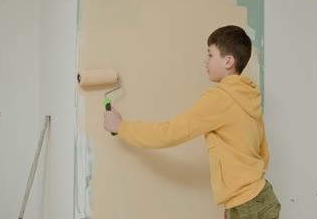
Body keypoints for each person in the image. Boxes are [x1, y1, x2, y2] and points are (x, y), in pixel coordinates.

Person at [104, 25, 281, 219]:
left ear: (228, 61)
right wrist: (233, 200)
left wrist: (121, 127)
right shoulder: (249, 96)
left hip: (248, 204)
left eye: (210, 55)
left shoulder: (220, 99)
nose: (205, 60)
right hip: (260, 196)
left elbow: (170, 133)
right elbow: (263, 153)